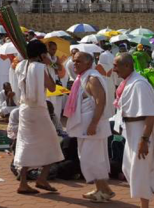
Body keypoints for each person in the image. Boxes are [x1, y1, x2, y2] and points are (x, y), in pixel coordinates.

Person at [113, 53, 154, 208]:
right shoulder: (129, 83)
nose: (114, 69)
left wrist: (144, 140)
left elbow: (150, 115)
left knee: (140, 171)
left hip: (141, 131)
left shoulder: (139, 84)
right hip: (132, 131)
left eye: (116, 66)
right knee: (131, 169)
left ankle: (146, 205)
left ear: (127, 66)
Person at [13, 39, 64, 195]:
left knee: (25, 144)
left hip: (24, 109)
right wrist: (49, 64)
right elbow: (52, 86)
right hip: (38, 110)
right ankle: (41, 178)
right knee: (53, 143)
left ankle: (26, 181)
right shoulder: (41, 67)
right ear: (42, 54)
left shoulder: (21, 66)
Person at [64, 51, 114, 202]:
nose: (75, 64)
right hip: (85, 127)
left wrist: (94, 123)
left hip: (93, 127)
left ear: (88, 63)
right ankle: (101, 189)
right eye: (74, 61)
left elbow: (101, 101)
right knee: (88, 157)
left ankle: (105, 190)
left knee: (92, 158)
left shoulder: (92, 78)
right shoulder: (82, 78)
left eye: (78, 61)